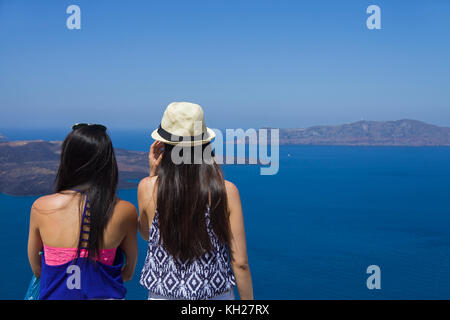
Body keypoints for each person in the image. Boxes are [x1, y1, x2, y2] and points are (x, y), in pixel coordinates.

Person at [138, 102, 253, 300]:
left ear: (165, 145)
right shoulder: (227, 191)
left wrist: (152, 175)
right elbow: (240, 262)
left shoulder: (147, 187)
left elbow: (147, 235)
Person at [27, 123, 138, 300]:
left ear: (67, 160)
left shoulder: (41, 207)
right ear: (108, 162)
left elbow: (37, 270)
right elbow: (128, 273)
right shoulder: (126, 211)